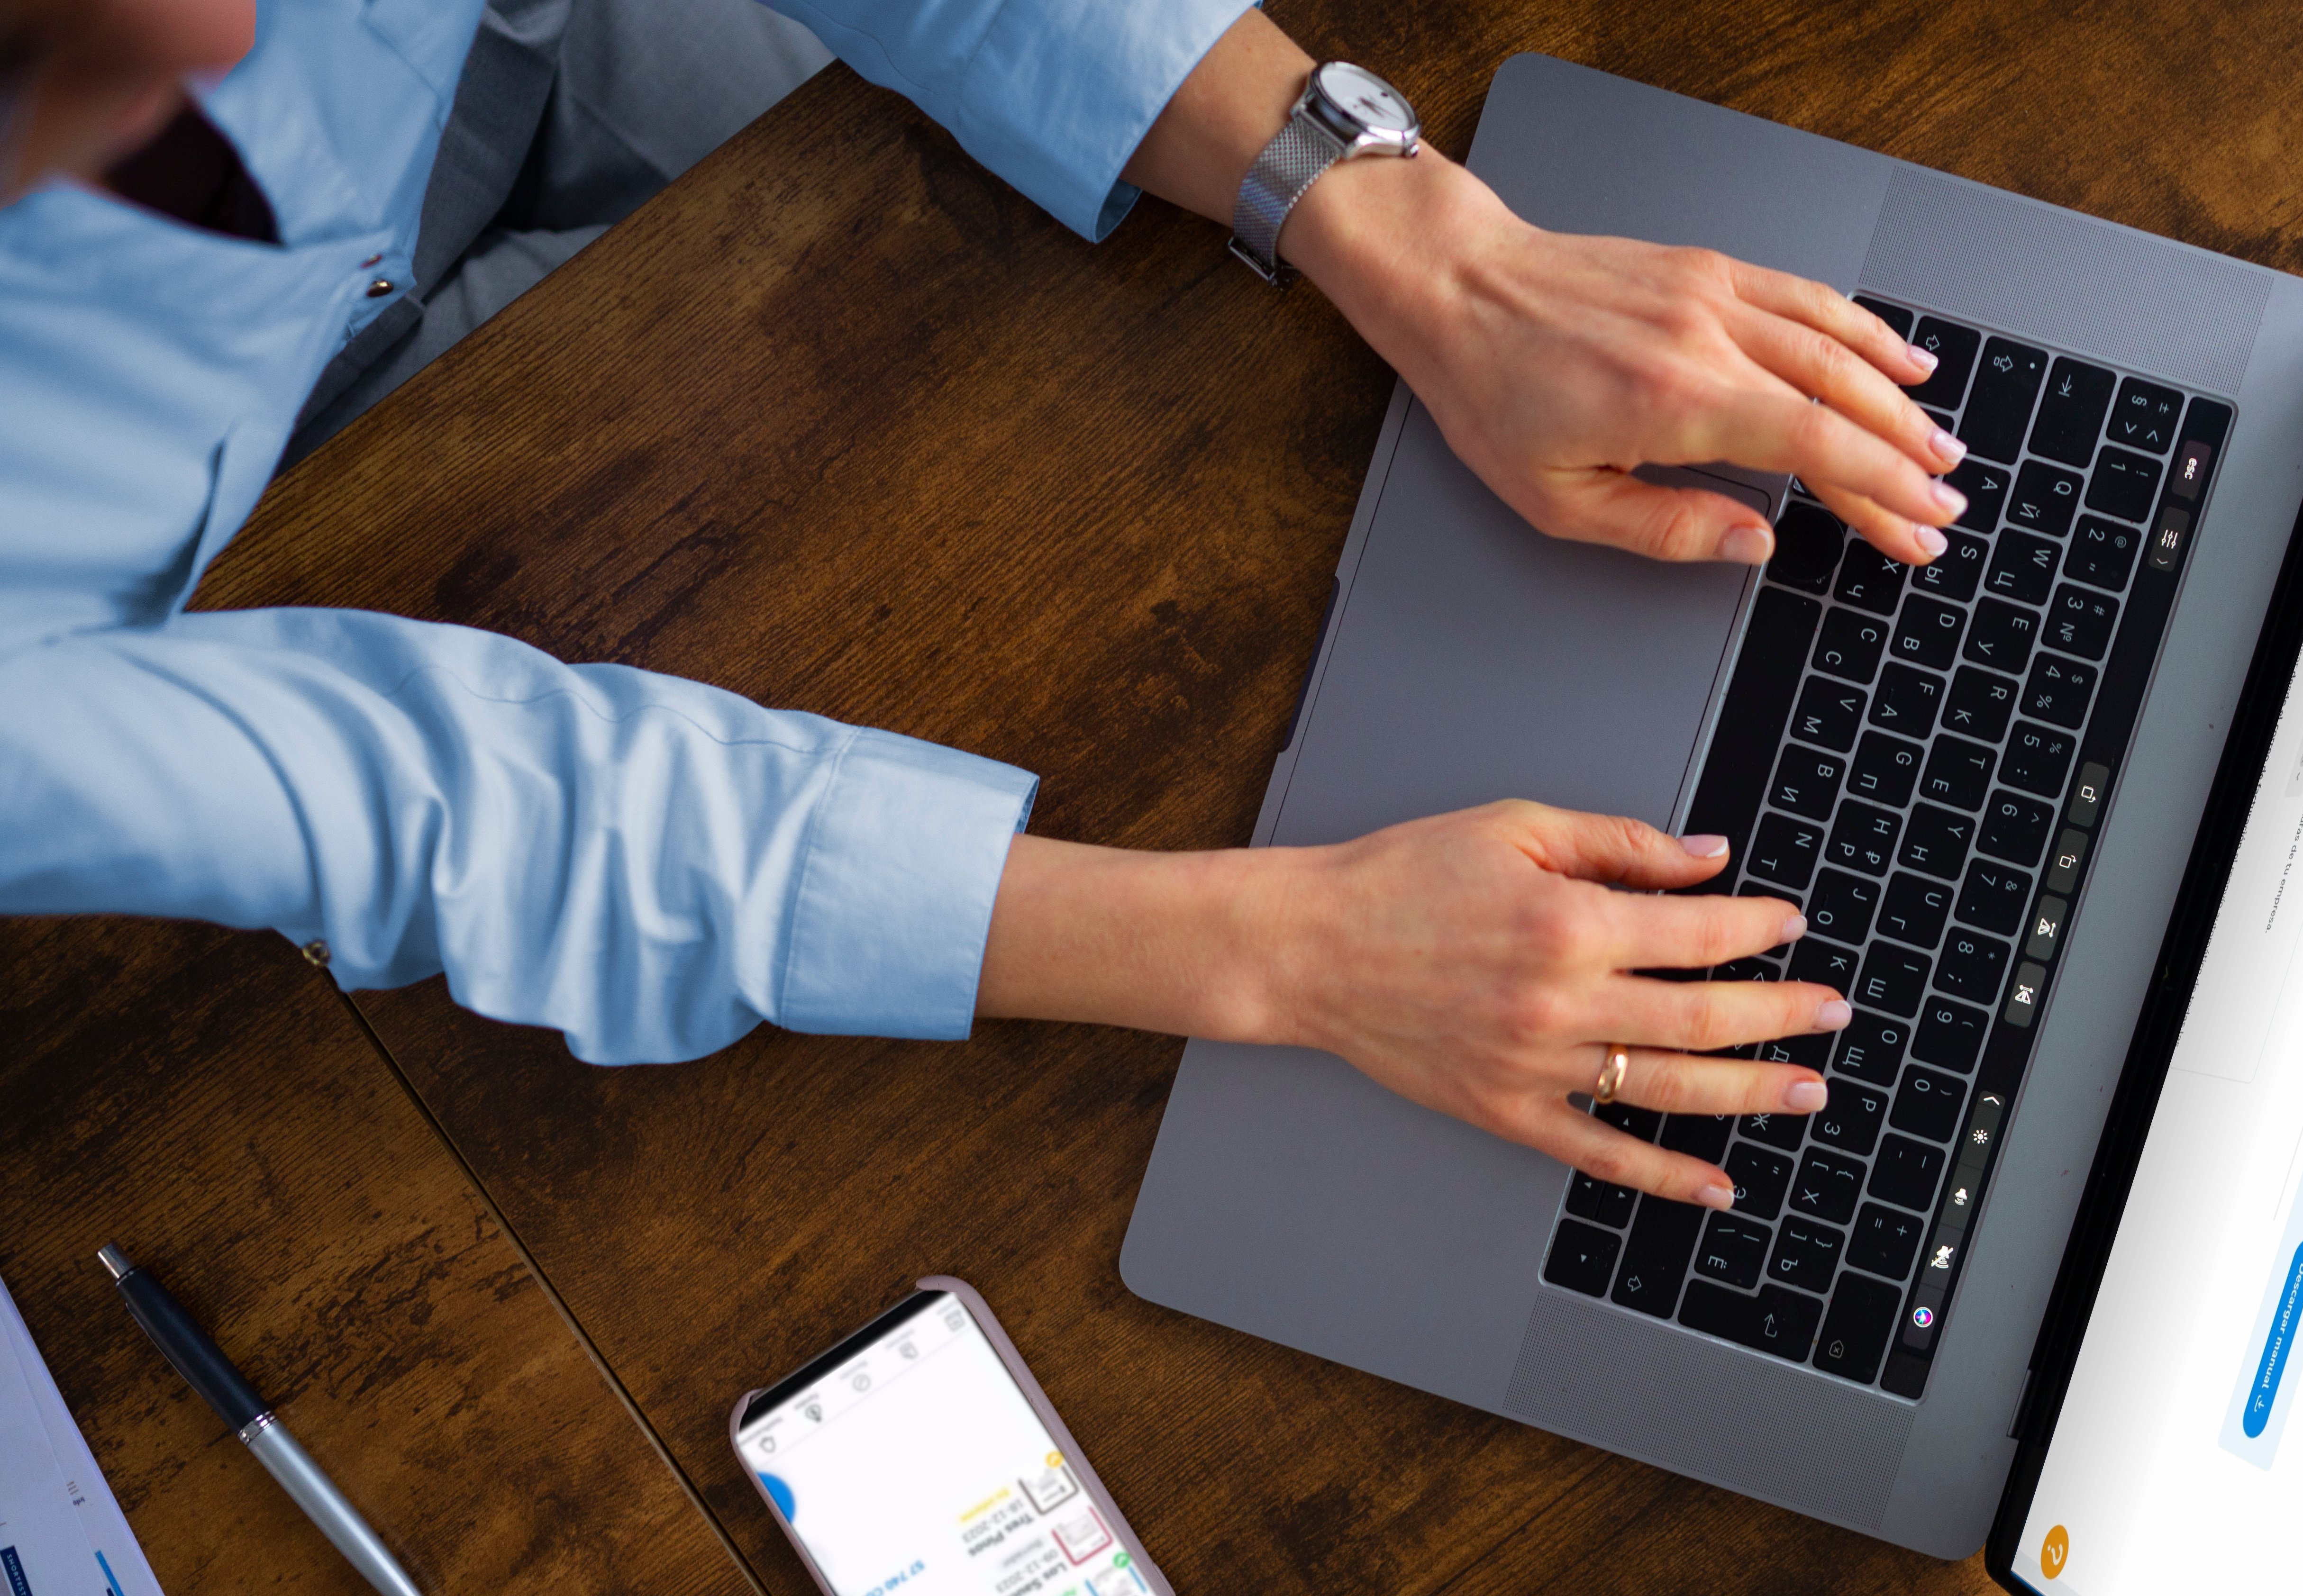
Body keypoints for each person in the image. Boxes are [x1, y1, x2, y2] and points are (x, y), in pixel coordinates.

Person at [0, 0, 1973, 1207]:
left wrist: (1409, 233)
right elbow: (461, 812)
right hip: (250, 514)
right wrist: (1291, 951)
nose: (222, 35)